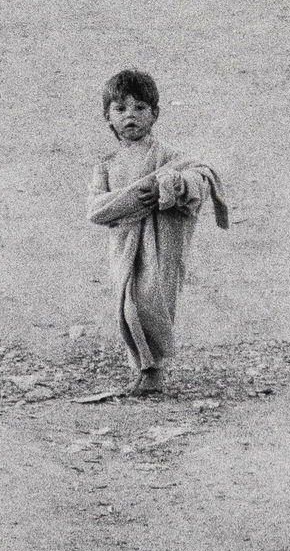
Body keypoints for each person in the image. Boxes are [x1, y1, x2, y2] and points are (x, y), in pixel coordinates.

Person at [88, 69, 228, 397]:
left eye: (140, 108)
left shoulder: (167, 157)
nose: (131, 116)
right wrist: (135, 198)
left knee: (150, 303)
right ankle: (141, 368)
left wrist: (173, 186)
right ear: (107, 117)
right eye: (121, 109)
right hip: (124, 247)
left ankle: (154, 371)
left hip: (161, 247)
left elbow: (200, 176)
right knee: (127, 306)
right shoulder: (105, 163)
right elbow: (96, 209)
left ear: (155, 114)